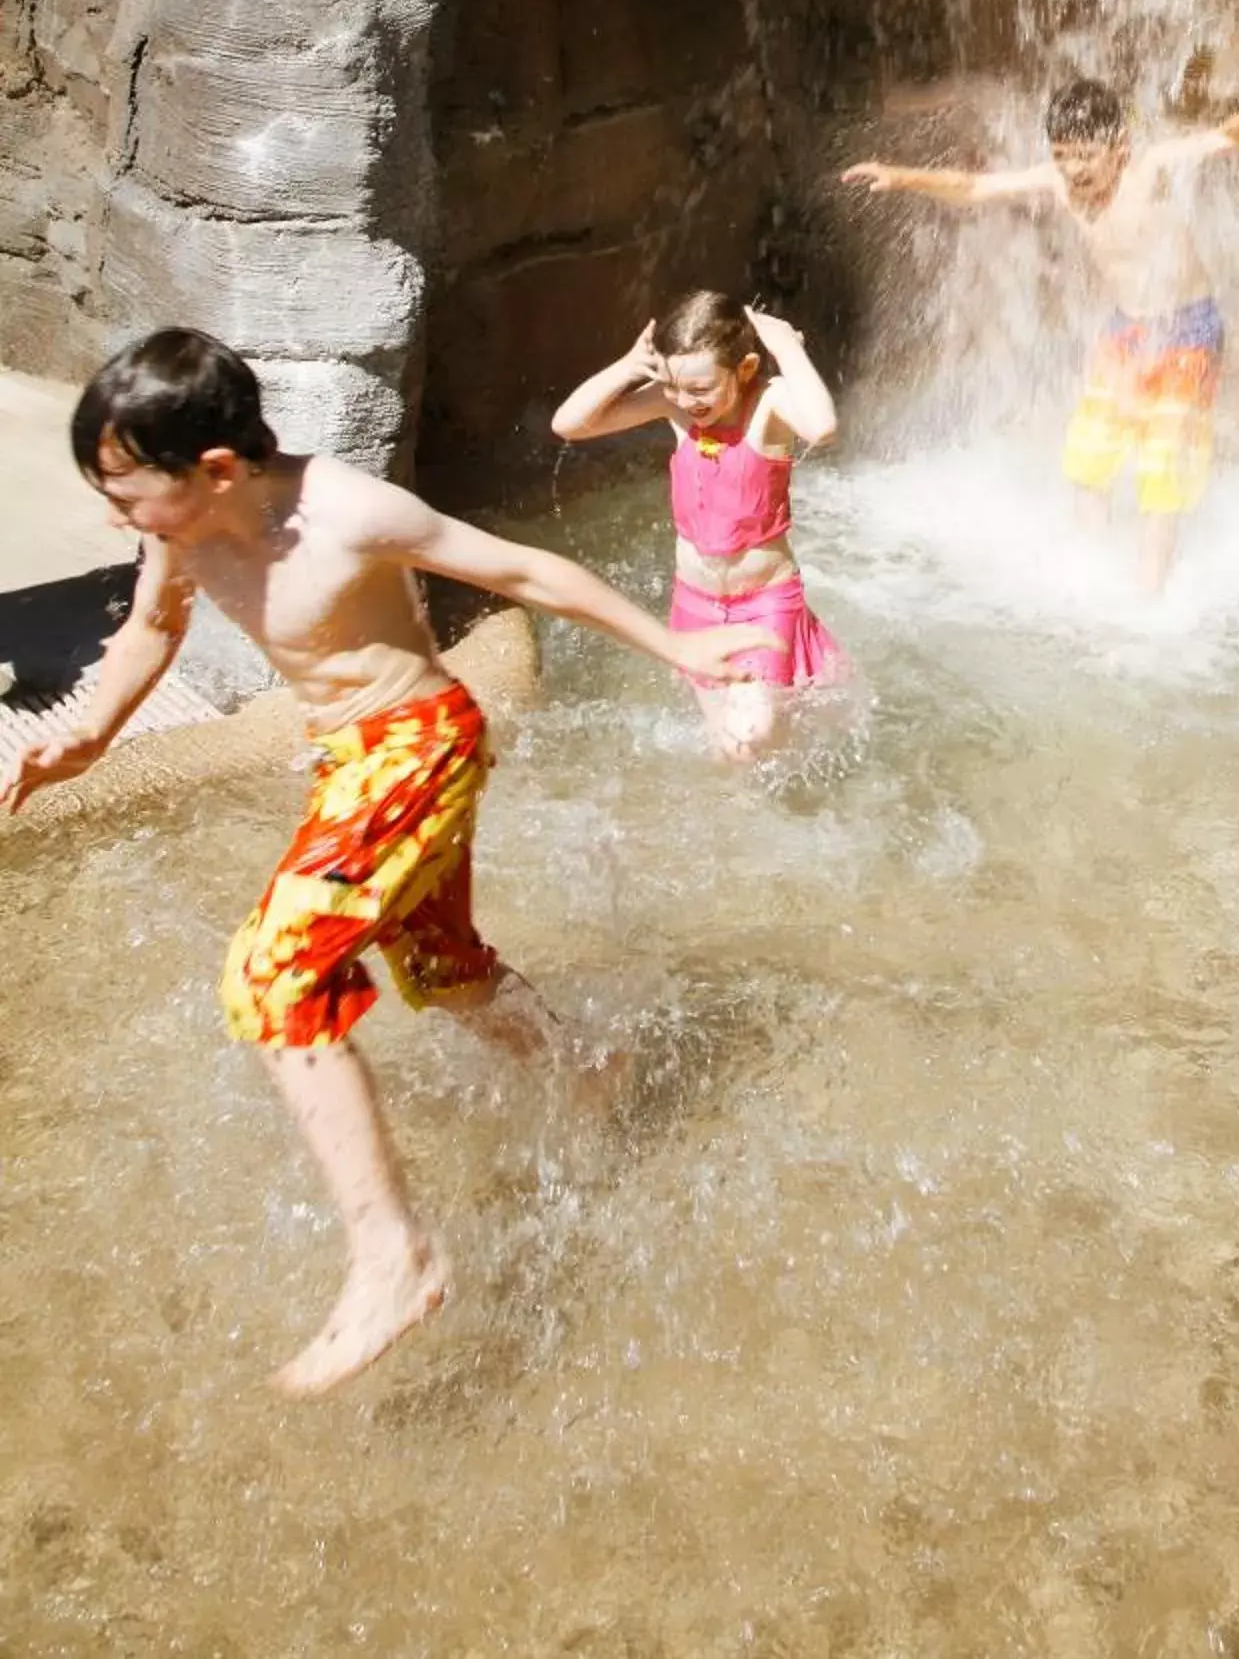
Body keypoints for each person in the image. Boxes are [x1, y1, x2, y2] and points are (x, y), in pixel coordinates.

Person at [0, 327, 778, 1399]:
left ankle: (392, 1255)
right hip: (351, 761)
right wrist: (84, 734)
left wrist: (679, 647)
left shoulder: (348, 516)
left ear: (216, 470)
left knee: (274, 977)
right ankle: (590, 1076)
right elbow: (149, 630)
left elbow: (521, 569)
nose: (117, 517)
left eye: (130, 495)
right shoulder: (182, 528)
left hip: (418, 745)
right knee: (444, 969)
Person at [843, 78, 1239, 591]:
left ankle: (1149, 594)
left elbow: (1225, 138)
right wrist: (902, 177)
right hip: (1126, 332)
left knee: (1162, 470)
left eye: (1086, 155)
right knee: (1089, 458)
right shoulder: (1056, 181)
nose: (1072, 168)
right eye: (1062, 153)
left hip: (1187, 333)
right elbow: (976, 187)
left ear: (1120, 150)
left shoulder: (1149, 169)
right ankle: (1089, 576)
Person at [551, 294, 846, 762]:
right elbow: (569, 424)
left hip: (763, 605)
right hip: (694, 606)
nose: (687, 401)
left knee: (750, 739)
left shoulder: (768, 405)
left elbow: (823, 426)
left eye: (701, 389)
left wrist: (787, 349)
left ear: (745, 369)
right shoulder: (678, 408)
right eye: (673, 386)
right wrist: (630, 367)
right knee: (726, 750)